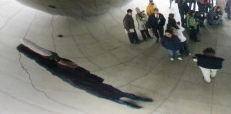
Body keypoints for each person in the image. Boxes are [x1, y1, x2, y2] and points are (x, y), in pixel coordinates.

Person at [17, 40, 152, 109]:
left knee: (116, 94)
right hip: (80, 80)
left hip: (79, 78)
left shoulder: (65, 66)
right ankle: (132, 103)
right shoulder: (65, 69)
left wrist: (59, 61)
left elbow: (71, 65)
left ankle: (134, 101)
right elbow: (70, 66)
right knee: (115, 95)